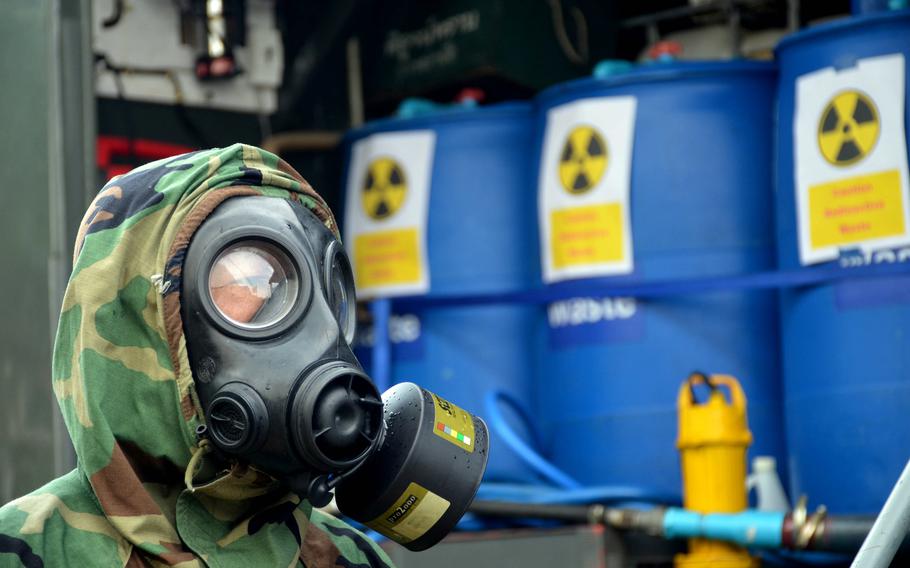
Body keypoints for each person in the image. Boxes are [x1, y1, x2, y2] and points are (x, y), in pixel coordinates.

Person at [0, 144, 396, 568]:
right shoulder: (27, 551)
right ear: (145, 317)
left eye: (320, 285)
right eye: (249, 280)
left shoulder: (351, 557)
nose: (318, 332)